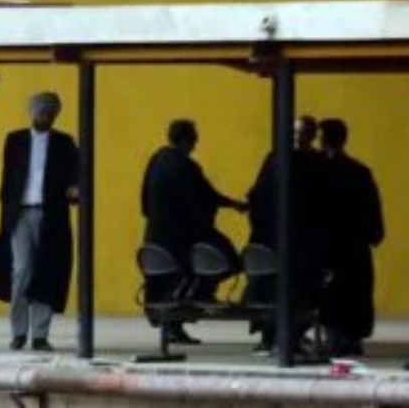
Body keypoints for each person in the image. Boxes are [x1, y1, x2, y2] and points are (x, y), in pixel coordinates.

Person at [0, 92, 79, 351]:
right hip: (20, 214)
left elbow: (77, 177)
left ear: (56, 115)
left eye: (50, 112)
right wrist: (5, 218)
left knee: (46, 271)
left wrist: (74, 191)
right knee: (22, 271)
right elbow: (7, 182)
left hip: (51, 215)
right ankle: (19, 331)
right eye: (40, 111)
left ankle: (40, 335)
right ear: (31, 112)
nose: (45, 116)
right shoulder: (15, 140)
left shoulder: (65, 143)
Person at [140, 119, 246, 345]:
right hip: (181, 237)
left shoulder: (157, 159)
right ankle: (200, 296)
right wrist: (232, 205)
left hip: (155, 237)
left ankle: (174, 324)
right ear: (188, 141)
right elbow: (204, 197)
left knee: (170, 281)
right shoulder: (186, 167)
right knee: (229, 259)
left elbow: (145, 199)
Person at [245, 115, 322, 352]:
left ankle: (278, 334)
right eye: (296, 132)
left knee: (277, 285)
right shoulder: (305, 161)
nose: (298, 137)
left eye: (302, 132)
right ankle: (276, 334)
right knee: (277, 284)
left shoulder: (281, 159)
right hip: (284, 237)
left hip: (283, 236)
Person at [316, 119, 384, 358]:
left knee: (331, 293)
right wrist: (374, 234)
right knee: (356, 291)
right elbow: (372, 209)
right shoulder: (359, 171)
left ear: (323, 140)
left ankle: (333, 338)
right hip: (354, 243)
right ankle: (351, 338)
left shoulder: (319, 171)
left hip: (329, 242)